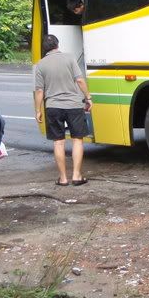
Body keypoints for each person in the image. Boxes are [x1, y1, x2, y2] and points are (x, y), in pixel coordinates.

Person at [34, 34, 92, 186]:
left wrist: (38, 110)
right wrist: (88, 97)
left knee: (58, 142)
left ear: (44, 48)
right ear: (57, 44)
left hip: (53, 107)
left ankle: (63, 178)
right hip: (73, 106)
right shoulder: (69, 58)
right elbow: (79, 80)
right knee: (77, 140)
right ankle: (76, 176)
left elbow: (39, 91)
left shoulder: (40, 65)